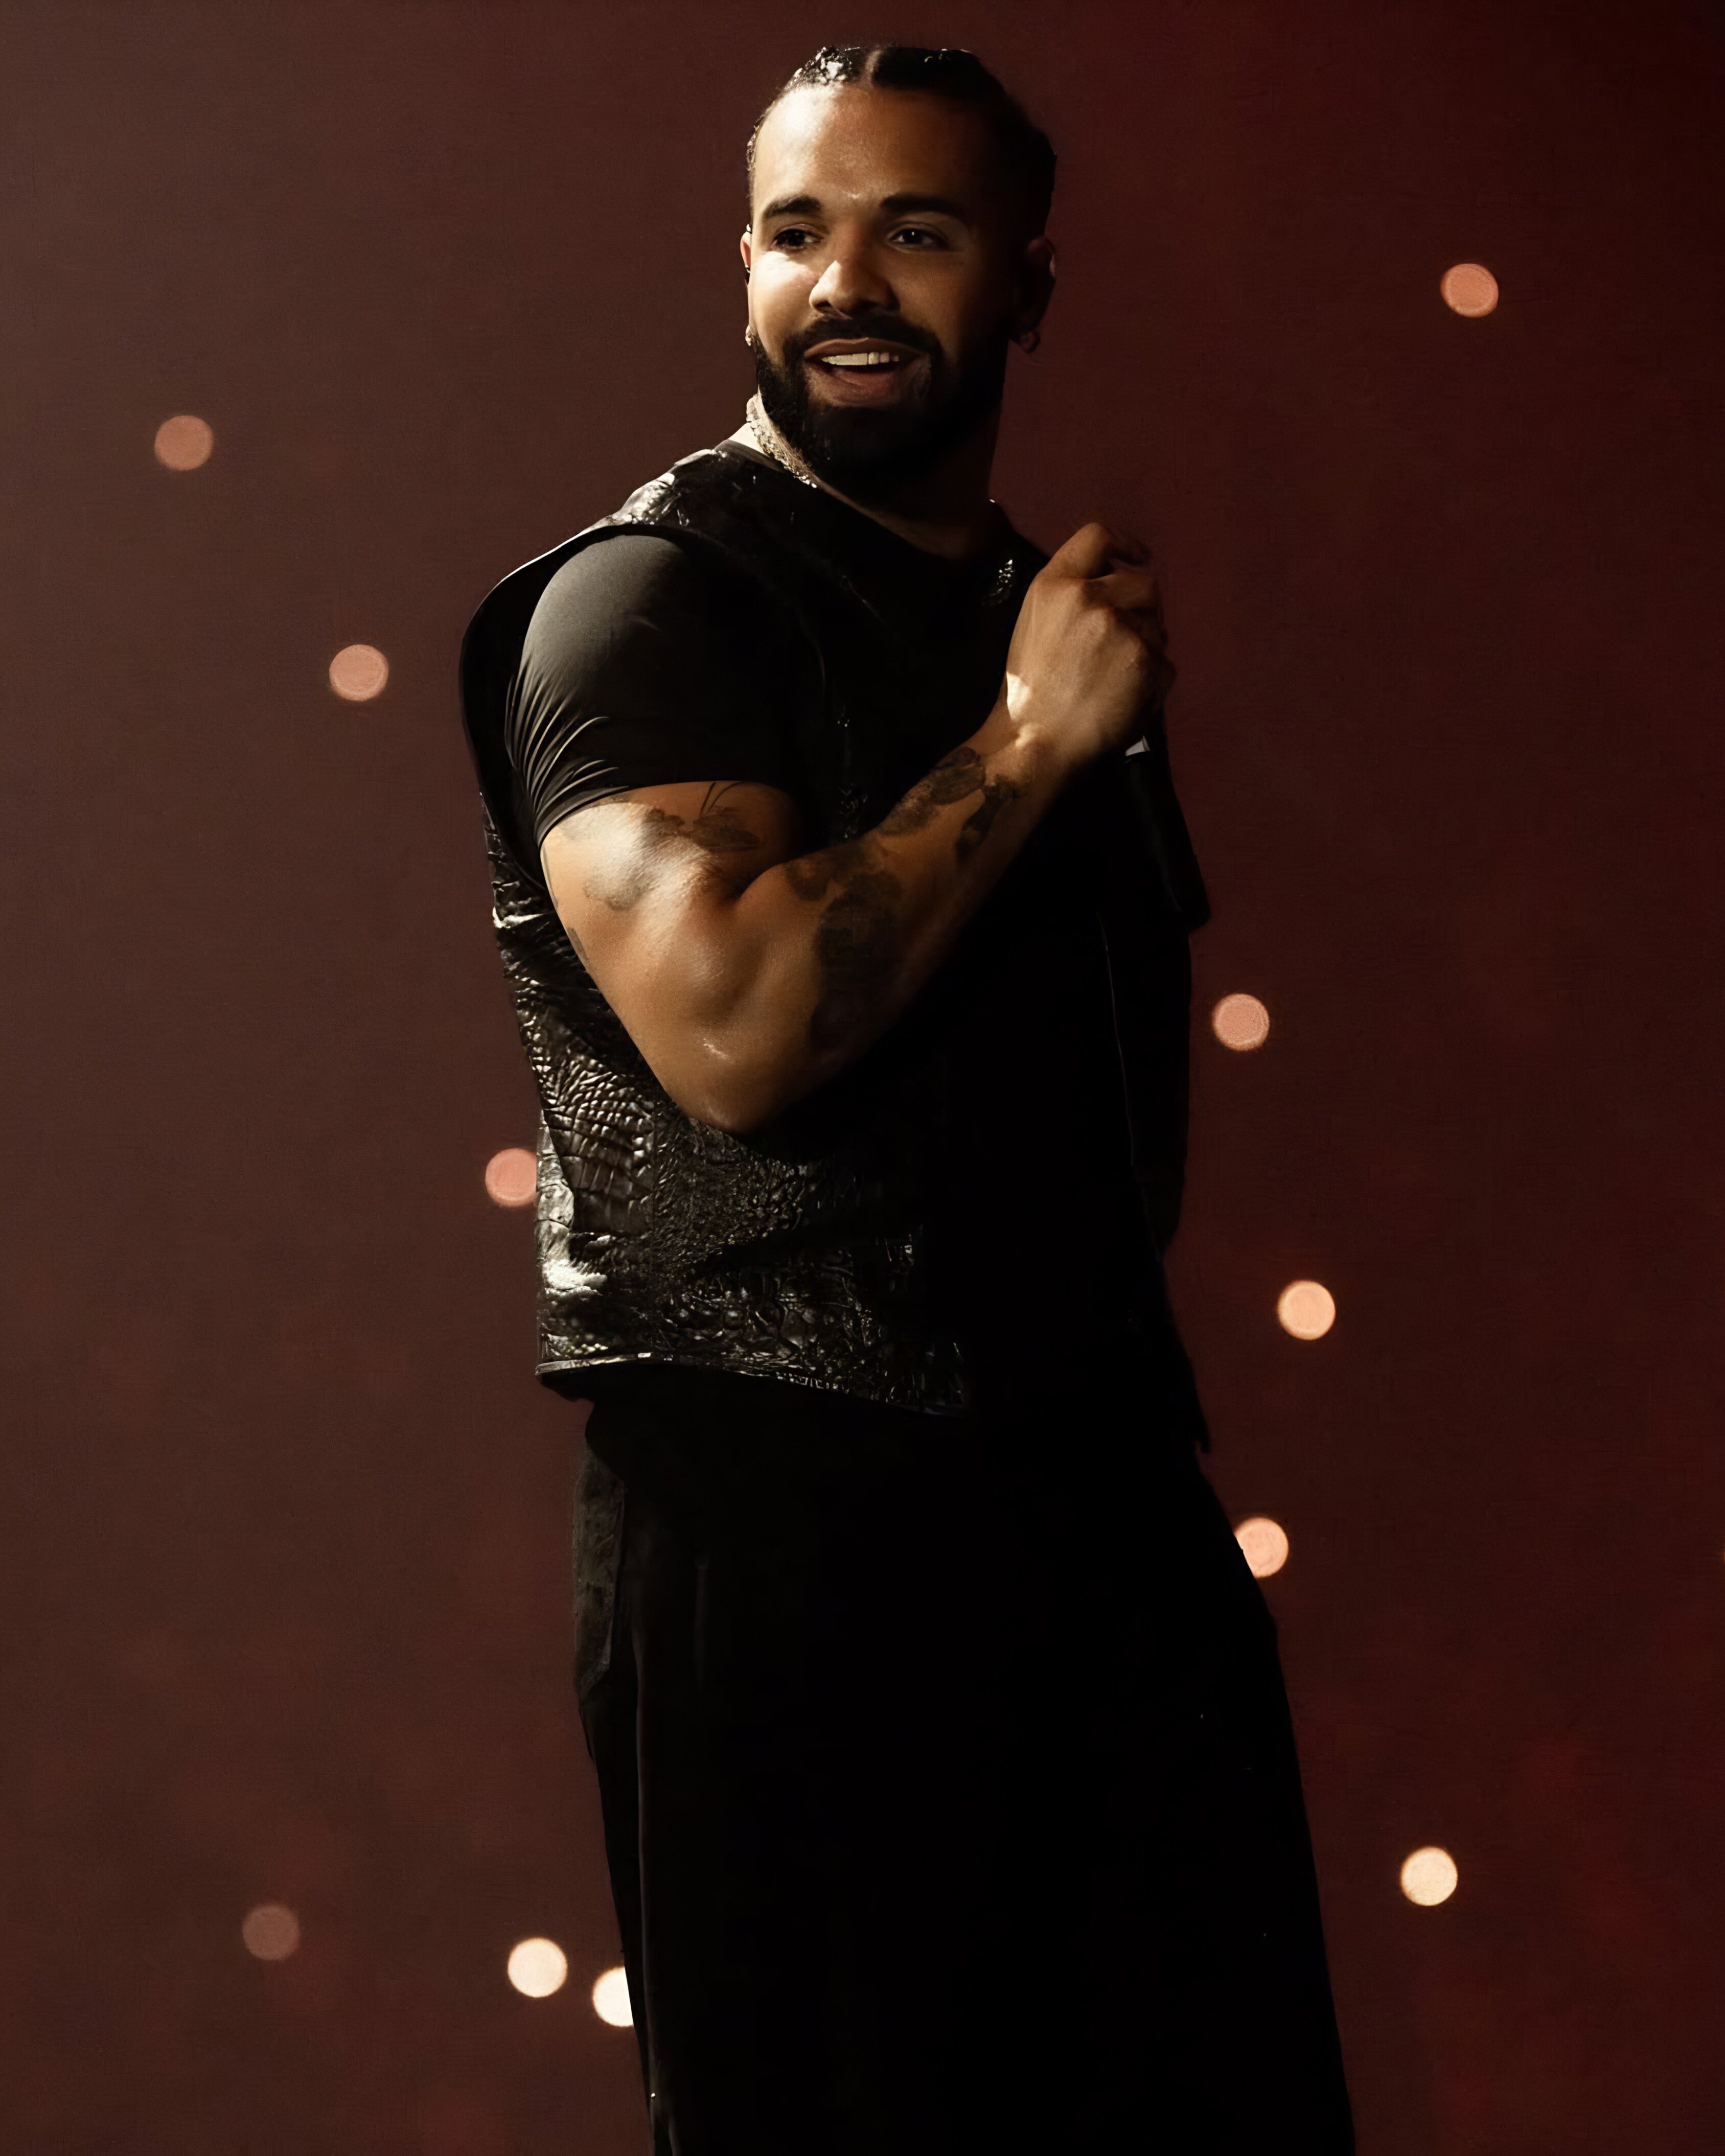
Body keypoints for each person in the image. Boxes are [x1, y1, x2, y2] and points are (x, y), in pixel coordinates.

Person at [459, 42, 1353, 2154]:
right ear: (743, 267)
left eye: (914, 230)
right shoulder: (648, 604)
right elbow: (735, 1028)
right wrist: (1029, 747)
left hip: (1096, 1512)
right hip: (789, 1536)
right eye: (798, 230)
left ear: (1027, 284)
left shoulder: (1023, 617)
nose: (846, 281)